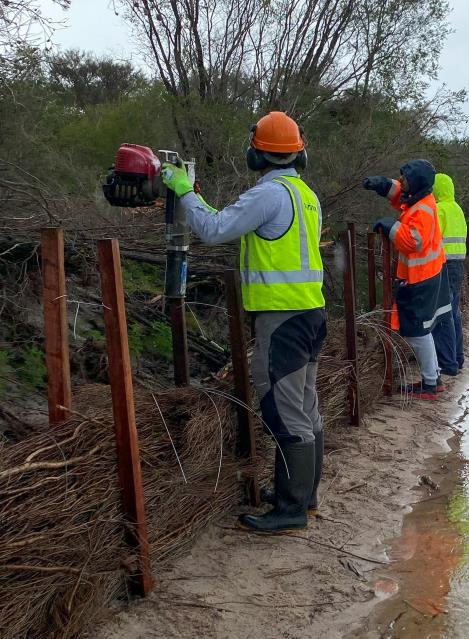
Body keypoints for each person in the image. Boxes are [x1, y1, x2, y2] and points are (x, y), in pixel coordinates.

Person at [160, 111, 326, 535]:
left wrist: (183, 193)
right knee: (306, 409)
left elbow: (214, 230)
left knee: (285, 413)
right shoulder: (306, 194)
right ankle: (303, 496)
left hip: (282, 317)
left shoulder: (268, 195)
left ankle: (291, 509)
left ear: (258, 153)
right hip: (310, 313)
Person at [364, 160, 451, 400]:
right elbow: (400, 194)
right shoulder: (420, 200)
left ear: (416, 183)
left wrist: (391, 226)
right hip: (425, 276)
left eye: (404, 178)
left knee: (417, 332)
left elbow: (412, 242)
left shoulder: (422, 209)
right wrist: (382, 185)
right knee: (422, 330)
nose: (400, 181)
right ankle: (433, 379)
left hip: (420, 278)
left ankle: (430, 384)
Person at [432, 172, 467, 376]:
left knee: (443, 315)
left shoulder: (438, 209)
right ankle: (458, 358)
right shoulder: (457, 209)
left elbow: (432, 238)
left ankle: (448, 363)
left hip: (443, 265)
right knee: (454, 313)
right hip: (459, 265)